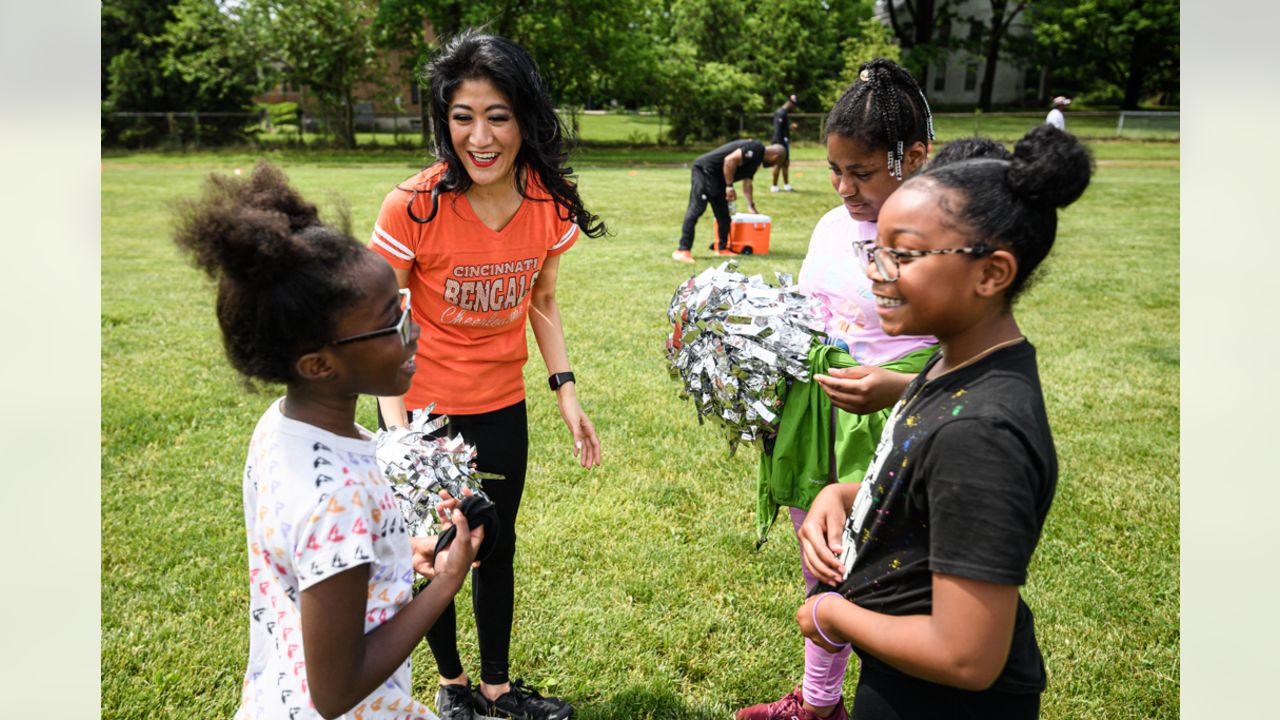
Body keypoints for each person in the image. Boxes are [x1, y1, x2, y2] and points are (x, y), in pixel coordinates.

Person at [795, 124, 1092, 718]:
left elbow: (967, 656)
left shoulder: (981, 434)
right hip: (902, 678)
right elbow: (923, 488)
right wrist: (843, 494)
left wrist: (832, 614)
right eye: (874, 250)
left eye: (901, 255)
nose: (876, 271)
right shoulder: (955, 360)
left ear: (991, 273)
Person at [173, 161, 485, 720]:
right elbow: (337, 691)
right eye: (392, 322)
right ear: (319, 364)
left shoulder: (282, 425)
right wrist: (445, 585)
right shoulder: (334, 497)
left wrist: (391, 557)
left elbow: (314, 564)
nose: (413, 330)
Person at [367, 30, 604, 720]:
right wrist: (400, 433)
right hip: (426, 413)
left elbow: (543, 299)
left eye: (497, 115)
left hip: (502, 405)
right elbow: (384, 329)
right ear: (443, 121)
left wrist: (567, 393)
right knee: (443, 547)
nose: (480, 136)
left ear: (525, 118)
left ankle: (497, 689)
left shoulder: (548, 202)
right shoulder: (413, 205)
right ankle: (451, 685)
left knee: (495, 543)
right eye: (462, 116)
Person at [743, 57, 940, 720]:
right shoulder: (832, 227)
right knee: (823, 570)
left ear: (913, 156)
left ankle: (883, 702)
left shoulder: (942, 235)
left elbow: (968, 361)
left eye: (862, 172)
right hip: (816, 434)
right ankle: (821, 702)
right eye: (836, 171)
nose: (845, 187)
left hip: (892, 441)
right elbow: (803, 314)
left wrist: (893, 386)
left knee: (885, 584)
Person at [671, 138, 786, 263]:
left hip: (719, 179)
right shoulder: (756, 148)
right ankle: (682, 250)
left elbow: (747, 183)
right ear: (775, 156)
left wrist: (751, 205)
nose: (774, 165)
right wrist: (729, 186)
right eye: (776, 163)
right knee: (697, 209)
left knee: (724, 216)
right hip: (705, 171)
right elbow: (729, 160)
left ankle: (722, 249)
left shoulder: (755, 162)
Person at [771, 94, 799, 193]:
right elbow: (777, 130)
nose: (794, 108)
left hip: (784, 141)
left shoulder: (785, 113)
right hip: (779, 142)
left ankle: (787, 185)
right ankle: (774, 186)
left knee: (786, 164)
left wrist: (790, 128)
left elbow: (783, 129)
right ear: (790, 103)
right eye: (794, 105)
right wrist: (779, 145)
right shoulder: (780, 113)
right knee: (778, 164)